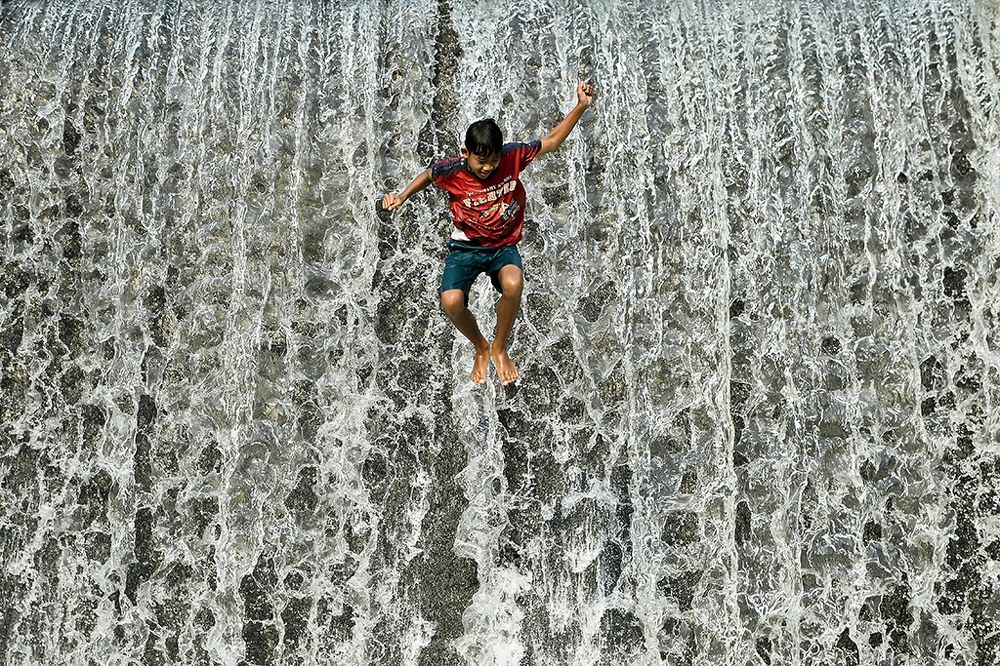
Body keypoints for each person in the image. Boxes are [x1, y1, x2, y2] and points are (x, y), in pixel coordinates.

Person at [381, 82, 595, 385]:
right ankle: (480, 346)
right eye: (481, 162)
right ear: (465, 153)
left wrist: (581, 106)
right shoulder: (453, 170)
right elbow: (428, 175)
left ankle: (499, 347)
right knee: (451, 301)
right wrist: (402, 196)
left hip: (503, 246)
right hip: (466, 248)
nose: (487, 168)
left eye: (493, 161)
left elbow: (551, 141)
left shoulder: (512, 156)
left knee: (513, 283)